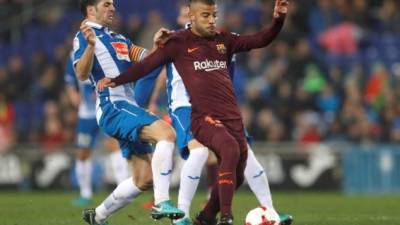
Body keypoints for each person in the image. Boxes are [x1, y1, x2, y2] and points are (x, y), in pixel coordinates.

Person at [98, 0, 289, 224]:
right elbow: (146, 68)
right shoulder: (175, 42)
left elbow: (260, 40)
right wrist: (118, 81)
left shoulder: (224, 39)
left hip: (227, 113)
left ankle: (216, 215)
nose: (211, 20)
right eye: (205, 15)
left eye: (213, 15)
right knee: (210, 151)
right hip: (190, 110)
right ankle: (199, 216)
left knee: (240, 168)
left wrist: (278, 19)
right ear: (190, 16)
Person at [73, 0, 184, 224]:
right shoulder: (84, 37)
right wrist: (91, 47)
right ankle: (162, 202)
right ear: (91, 9)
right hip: (112, 107)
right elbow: (82, 74)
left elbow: (147, 60)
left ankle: (98, 216)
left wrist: (157, 46)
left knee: (144, 179)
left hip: (128, 107)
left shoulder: (119, 38)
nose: (113, 8)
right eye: (107, 4)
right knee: (166, 134)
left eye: (113, 4)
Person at [65, 51, 129, 206]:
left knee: (114, 146)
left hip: (107, 110)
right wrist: (74, 97)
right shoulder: (74, 55)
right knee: (83, 152)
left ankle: (124, 191)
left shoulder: (105, 51)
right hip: (87, 114)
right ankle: (85, 193)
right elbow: (70, 82)